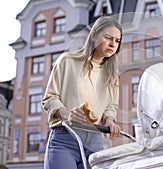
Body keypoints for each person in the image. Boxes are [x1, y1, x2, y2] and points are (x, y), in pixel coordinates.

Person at [41, 16, 122, 169]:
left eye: (117, 41)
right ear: (94, 36)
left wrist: (110, 120)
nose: (113, 44)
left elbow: (111, 105)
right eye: (108, 38)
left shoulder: (111, 75)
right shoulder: (67, 61)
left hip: (95, 140)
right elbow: (49, 97)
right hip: (65, 137)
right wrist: (67, 114)